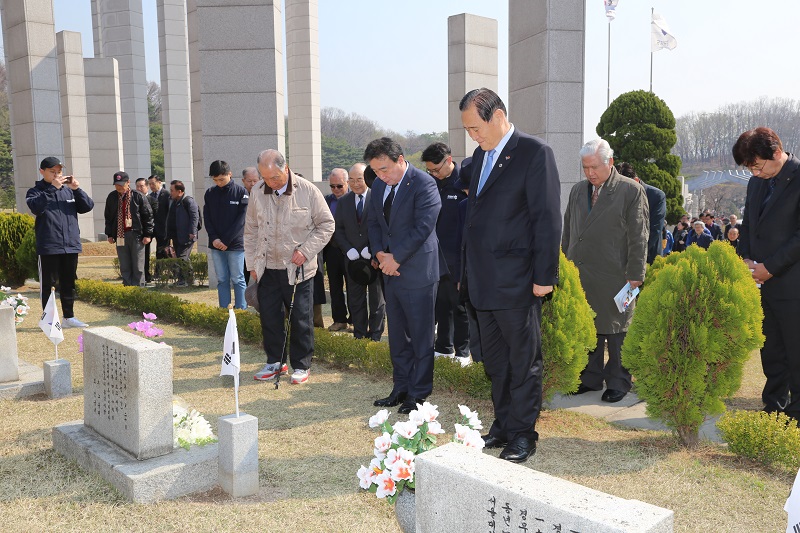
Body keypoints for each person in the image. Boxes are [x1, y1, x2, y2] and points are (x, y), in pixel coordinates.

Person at [460, 88, 561, 463]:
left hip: (518, 280)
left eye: (475, 127)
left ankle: (523, 434)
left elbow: (547, 219)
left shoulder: (534, 153)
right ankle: (503, 424)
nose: (473, 136)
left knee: (523, 362)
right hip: (483, 282)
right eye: (468, 130)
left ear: (498, 114)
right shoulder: (479, 156)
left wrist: (544, 276)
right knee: (496, 363)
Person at [563, 139, 648, 405]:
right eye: (585, 167)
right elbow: (568, 231)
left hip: (618, 275)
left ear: (609, 162)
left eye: (594, 167)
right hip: (582, 272)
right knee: (589, 327)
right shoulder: (578, 191)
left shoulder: (630, 191)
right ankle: (589, 378)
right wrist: (565, 266)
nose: (589, 173)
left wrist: (635, 275)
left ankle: (618, 381)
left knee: (617, 329)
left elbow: (639, 236)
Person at [245, 149, 334, 385]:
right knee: (270, 318)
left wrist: (305, 251)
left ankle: (302, 365)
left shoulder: (307, 190)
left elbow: (327, 225)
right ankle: (275, 361)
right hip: (267, 268)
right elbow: (251, 230)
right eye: (265, 178)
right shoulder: (257, 191)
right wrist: (252, 264)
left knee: (300, 319)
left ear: (286, 168)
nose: (270, 183)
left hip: (299, 269)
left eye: (274, 177)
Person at [367, 137, 441, 415]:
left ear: (400, 160)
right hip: (390, 271)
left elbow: (423, 227)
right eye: (375, 171)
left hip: (418, 271)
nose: (380, 176)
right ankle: (400, 386)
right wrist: (379, 255)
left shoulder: (423, 183)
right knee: (397, 334)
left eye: (384, 169)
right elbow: (373, 224)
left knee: (421, 335)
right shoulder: (377, 186)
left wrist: (395, 258)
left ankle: (419, 392)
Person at [734, 127, 800, 420]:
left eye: (758, 166)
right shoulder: (756, 184)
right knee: (770, 349)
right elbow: (749, 225)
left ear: (776, 153)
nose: (756, 173)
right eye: (751, 169)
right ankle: (774, 406)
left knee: (796, 352)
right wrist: (747, 258)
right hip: (762, 283)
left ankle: (796, 415)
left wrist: (770, 268)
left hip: (792, 283)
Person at [26, 156, 94, 328]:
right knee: (48, 285)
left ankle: (69, 318)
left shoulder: (68, 191)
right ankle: (49, 320)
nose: (57, 175)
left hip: (70, 244)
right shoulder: (35, 191)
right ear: (42, 172)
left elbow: (87, 206)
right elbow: (36, 207)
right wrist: (52, 188)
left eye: (59, 172)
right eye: (52, 172)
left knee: (68, 283)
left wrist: (77, 189)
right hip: (49, 245)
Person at [421, 142, 469, 366]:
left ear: (449, 160)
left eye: (436, 169)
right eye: (430, 170)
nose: (434, 174)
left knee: (459, 306)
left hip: (457, 257)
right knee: (440, 304)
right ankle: (443, 347)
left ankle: (462, 351)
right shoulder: (431, 184)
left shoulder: (464, 183)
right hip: (434, 257)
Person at [334, 162, 385, 341]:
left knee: (376, 299)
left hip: (374, 258)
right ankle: (359, 334)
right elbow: (338, 229)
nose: (356, 183)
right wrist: (348, 249)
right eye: (352, 180)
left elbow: (382, 227)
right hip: (352, 259)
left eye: (360, 179)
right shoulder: (343, 202)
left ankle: (376, 335)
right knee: (355, 299)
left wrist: (371, 249)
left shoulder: (377, 198)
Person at [204, 160, 248, 309]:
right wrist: (214, 238)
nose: (219, 183)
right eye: (215, 180)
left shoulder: (241, 193)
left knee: (238, 278)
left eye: (221, 179)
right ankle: (224, 309)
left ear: (230, 174)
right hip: (216, 244)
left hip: (235, 244)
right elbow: (207, 218)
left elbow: (241, 221)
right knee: (222, 279)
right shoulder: (210, 193)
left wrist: (226, 240)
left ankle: (241, 309)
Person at [104, 172, 154, 287]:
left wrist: (148, 234)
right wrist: (110, 234)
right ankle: (127, 287)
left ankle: (139, 288)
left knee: (138, 264)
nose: (119, 187)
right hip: (120, 234)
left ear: (128, 183)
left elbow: (148, 216)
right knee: (125, 264)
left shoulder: (138, 196)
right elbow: (108, 217)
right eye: (116, 184)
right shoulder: (112, 197)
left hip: (136, 234)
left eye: (121, 184)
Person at [616, 162, 666, 264]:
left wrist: (634, 254)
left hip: (647, 256)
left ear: (636, 181)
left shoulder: (656, 196)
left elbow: (655, 229)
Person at [324, 168, 350, 332]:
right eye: (332, 186)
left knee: (354, 287)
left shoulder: (354, 200)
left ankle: (355, 320)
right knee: (335, 287)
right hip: (331, 250)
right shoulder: (326, 200)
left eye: (339, 186)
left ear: (347, 183)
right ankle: (339, 319)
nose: (335, 190)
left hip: (350, 250)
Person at [167, 179, 200, 286]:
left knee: (182, 257)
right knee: (182, 258)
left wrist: (192, 232)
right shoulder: (174, 202)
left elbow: (195, 217)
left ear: (179, 191)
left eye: (172, 190)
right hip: (177, 235)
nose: (170, 192)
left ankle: (185, 280)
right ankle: (187, 279)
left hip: (187, 236)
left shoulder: (188, 201)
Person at [136, 178, 158, 283]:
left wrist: (149, 233)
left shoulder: (152, 200)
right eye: (137, 186)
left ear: (147, 186)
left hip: (147, 233)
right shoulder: (133, 199)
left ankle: (146, 276)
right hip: (135, 232)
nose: (139, 188)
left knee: (145, 255)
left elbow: (154, 217)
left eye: (142, 186)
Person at [147, 174, 171, 257]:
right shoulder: (149, 196)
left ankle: (161, 269)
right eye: (149, 184)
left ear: (159, 182)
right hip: (152, 228)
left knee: (163, 252)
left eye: (153, 183)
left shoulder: (167, 195)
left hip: (163, 229)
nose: (151, 186)